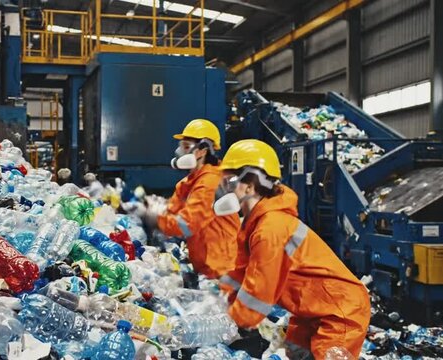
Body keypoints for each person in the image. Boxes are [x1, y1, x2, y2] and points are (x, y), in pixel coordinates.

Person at [213, 139, 370, 359]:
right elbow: (240, 272)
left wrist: (228, 323)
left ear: (249, 185)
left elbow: (258, 293)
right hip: (312, 310)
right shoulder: (255, 225)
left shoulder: (271, 228)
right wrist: (219, 302)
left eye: (227, 183)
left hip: (339, 312)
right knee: (295, 353)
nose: (223, 190)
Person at [144, 119, 240, 278]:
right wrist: (149, 207)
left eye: (186, 147)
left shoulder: (210, 183)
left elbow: (186, 225)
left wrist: (154, 218)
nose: (179, 152)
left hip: (220, 269)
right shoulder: (190, 181)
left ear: (202, 151)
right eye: (181, 146)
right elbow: (172, 209)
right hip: (206, 263)